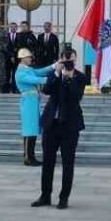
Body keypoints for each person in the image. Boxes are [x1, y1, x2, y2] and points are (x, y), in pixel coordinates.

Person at [33, 44, 87, 209]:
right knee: (47, 161)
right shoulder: (54, 74)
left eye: (71, 60)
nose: (68, 63)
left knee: (67, 163)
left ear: (76, 60)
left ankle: (64, 197)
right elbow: (47, 90)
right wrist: (57, 73)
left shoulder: (80, 77)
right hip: (51, 124)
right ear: (60, 60)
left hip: (70, 125)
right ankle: (45, 195)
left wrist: (69, 78)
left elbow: (76, 96)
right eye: (65, 60)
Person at [14, 46, 46, 166]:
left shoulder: (27, 69)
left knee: (32, 130)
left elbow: (41, 71)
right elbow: (35, 79)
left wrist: (54, 66)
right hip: (28, 102)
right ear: (22, 58)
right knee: (29, 130)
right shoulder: (20, 72)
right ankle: (28, 157)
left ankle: (30, 156)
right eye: (28, 57)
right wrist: (52, 78)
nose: (30, 59)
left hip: (32, 101)